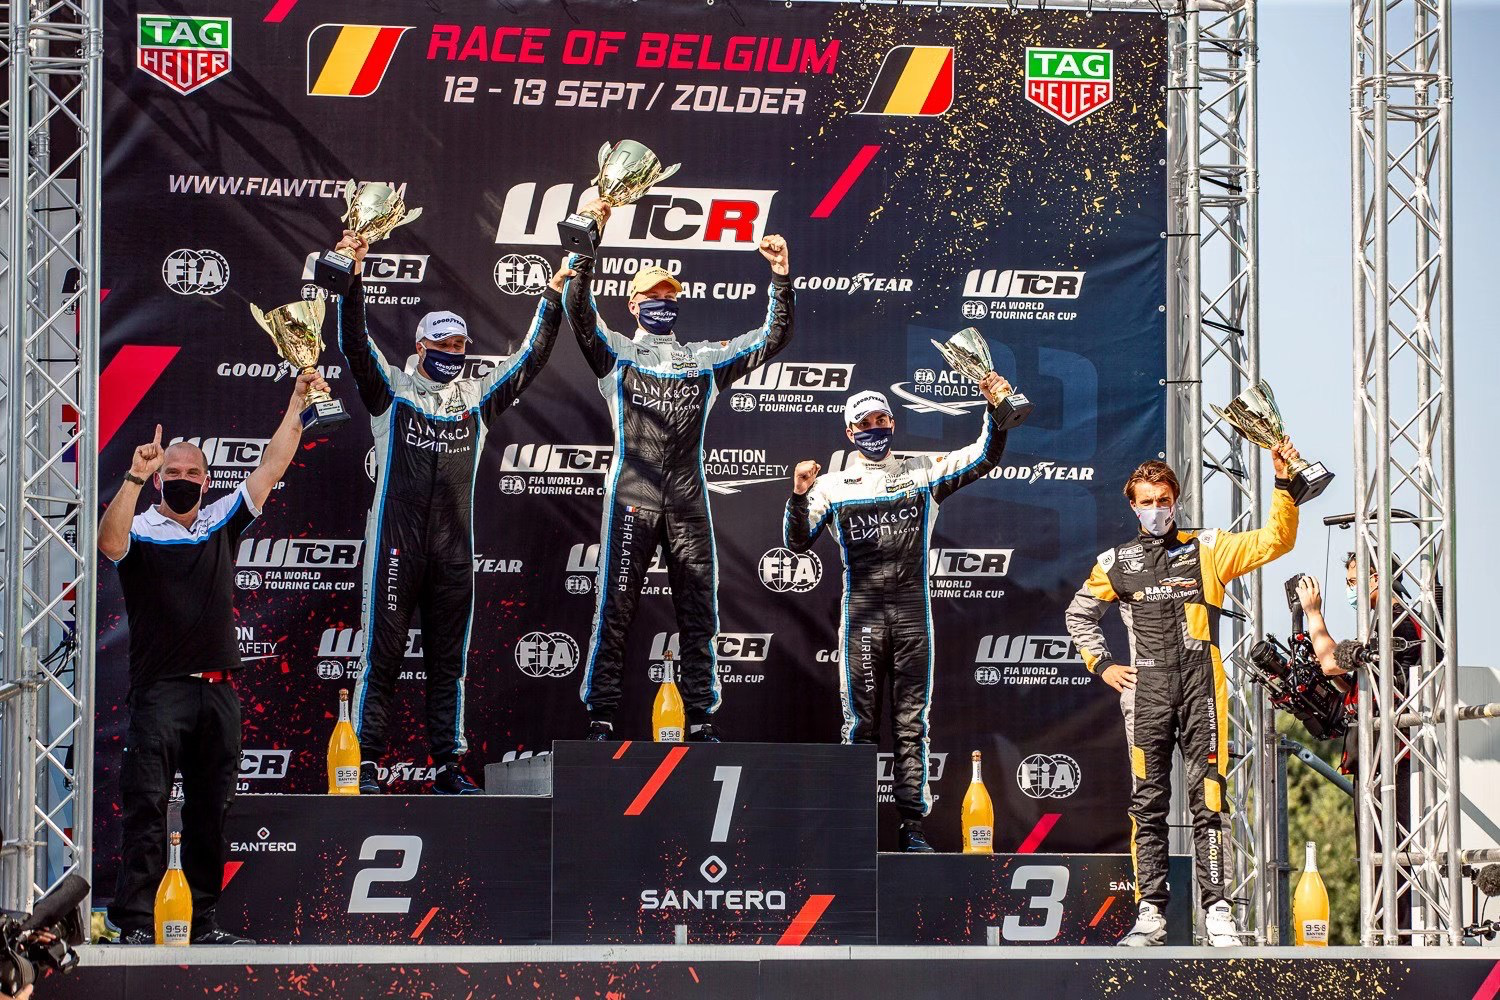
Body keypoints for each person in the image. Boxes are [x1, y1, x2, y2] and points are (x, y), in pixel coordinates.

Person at [333, 232, 571, 794]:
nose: (452, 352)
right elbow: (355, 343)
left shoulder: (477, 399)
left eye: (460, 345)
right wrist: (353, 279)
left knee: (449, 664)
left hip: (454, 553)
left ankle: (447, 765)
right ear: (420, 348)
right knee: (382, 658)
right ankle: (364, 764)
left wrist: (552, 296)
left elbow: (529, 360)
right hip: (395, 547)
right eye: (442, 344)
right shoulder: (392, 391)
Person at [98, 370, 329, 945]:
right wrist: (134, 476)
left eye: (191, 474)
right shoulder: (140, 527)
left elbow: (272, 465)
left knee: (210, 812)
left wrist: (297, 404)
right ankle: (133, 924)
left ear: (206, 480)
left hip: (219, 692)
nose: (181, 480)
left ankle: (200, 924)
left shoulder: (221, 520)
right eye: (172, 474)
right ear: (160, 480)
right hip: (160, 692)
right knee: (147, 809)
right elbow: (108, 542)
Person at [563, 204, 793, 742]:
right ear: (633, 303)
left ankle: (702, 718)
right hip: (632, 497)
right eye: (652, 296)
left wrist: (781, 279)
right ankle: (601, 717)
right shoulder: (616, 353)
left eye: (670, 296)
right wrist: (587, 243)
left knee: (699, 611)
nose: (663, 302)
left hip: (688, 501)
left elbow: (771, 339)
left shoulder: (704, 359)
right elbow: (578, 308)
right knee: (615, 609)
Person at [1064, 443, 1301, 946]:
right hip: (1145, 695)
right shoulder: (1114, 563)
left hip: (1201, 689)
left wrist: (1283, 484)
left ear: (1175, 501)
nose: (1156, 509)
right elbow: (1079, 614)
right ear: (1133, 505)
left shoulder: (1208, 548)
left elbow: (1275, 541)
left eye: (1163, 500)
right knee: (1147, 803)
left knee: (1209, 800)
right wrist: (1103, 664)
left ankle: (1218, 911)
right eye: (1147, 501)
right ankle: (1150, 912)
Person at [784, 381, 1011, 851]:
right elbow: (797, 542)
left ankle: (912, 828)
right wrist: (800, 494)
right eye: (864, 424)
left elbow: (983, 457)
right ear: (850, 432)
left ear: (893, 422)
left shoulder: (922, 471)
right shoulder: (831, 485)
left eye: (881, 420)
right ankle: (853, 829)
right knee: (859, 727)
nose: (875, 429)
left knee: (912, 725)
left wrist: (996, 409)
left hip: (912, 617)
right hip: (862, 617)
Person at [1296, 562, 1419, 932]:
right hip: (1375, 752)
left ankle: (1392, 933)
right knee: (1374, 851)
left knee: (1385, 849)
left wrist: (1313, 614)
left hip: (1390, 752)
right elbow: (1361, 680)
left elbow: (1332, 662)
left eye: (1353, 581)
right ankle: (1382, 929)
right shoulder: (1386, 622)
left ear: (1377, 577)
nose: (1350, 590)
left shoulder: (1397, 620)